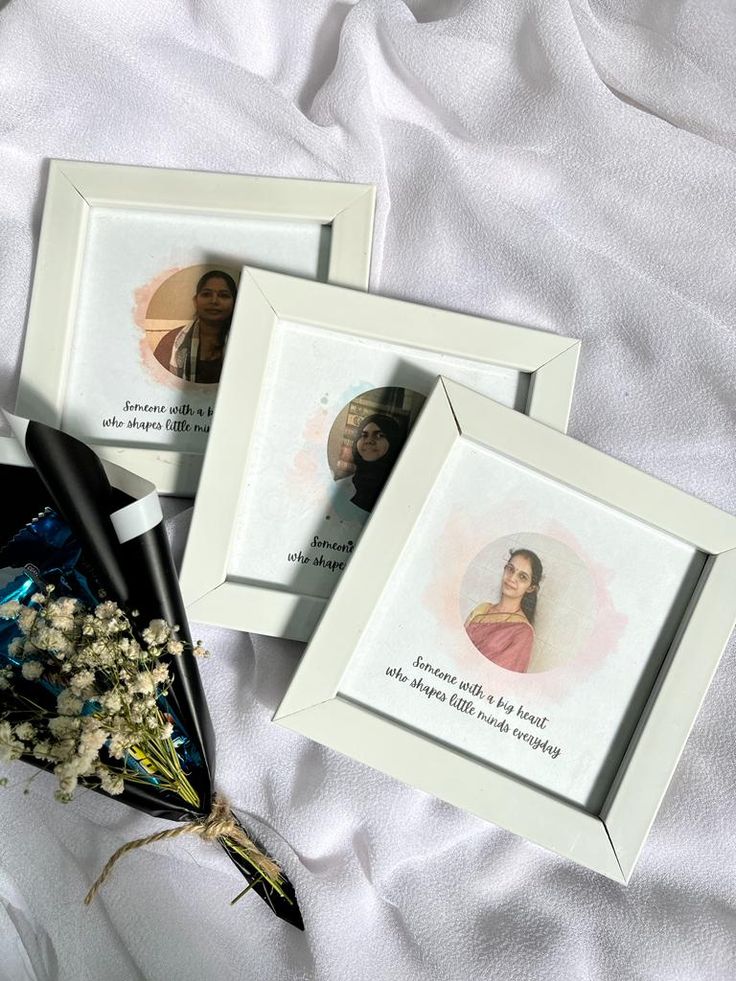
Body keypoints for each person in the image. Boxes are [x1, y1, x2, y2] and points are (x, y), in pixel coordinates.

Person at [464, 549, 543, 673]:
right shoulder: (483, 608)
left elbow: (501, 680)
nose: (511, 578)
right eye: (510, 569)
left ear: (531, 588)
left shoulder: (523, 632)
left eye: (522, 577)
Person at [153, 270, 237, 384]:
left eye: (223, 295)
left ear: (235, 303)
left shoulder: (244, 343)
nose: (214, 301)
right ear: (195, 301)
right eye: (206, 294)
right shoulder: (171, 341)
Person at [348, 412, 406, 513]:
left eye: (379, 435)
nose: (369, 441)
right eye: (363, 435)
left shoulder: (400, 489)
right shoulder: (344, 485)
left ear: (393, 441)